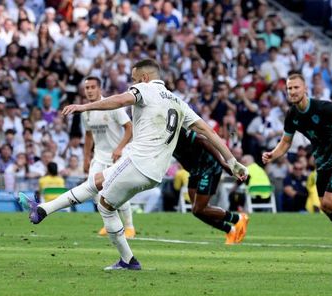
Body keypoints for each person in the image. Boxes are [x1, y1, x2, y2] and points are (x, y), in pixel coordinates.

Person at [19, 59, 247, 270]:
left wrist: (84, 106)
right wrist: (233, 161)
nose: (132, 84)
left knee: (105, 205)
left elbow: (120, 100)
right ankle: (43, 210)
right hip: (154, 173)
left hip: (138, 161)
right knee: (95, 183)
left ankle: (127, 260)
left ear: (145, 78)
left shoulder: (145, 89)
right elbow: (208, 131)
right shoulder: (178, 102)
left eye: (134, 79)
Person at [263, 73, 332, 248]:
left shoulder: (323, 107)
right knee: (324, 206)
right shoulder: (292, 115)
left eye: (296, 87)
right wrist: (272, 154)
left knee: (331, 202)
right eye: (289, 88)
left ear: (305, 88)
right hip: (323, 162)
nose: (292, 91)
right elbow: (285, 142)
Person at [80, 76, 136, 239]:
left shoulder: (112, 106)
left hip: (116, 156)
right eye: (87, 88)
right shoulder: (86, 111)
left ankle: (129, 227)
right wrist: (86, 158)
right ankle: (109, 225)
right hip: (99, 156)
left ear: (99, 89)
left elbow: (129, 128)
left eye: (92, 87)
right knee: (94, 189)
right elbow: (88, 136)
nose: (89, 90)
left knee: (118, 191)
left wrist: (120, 148)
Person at [172, 128, 249, 245]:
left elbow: (203, 140)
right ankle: (230, 230)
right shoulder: (159, 139)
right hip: (195, 170)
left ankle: (238, 218)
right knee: (196, 211)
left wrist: (223, 163)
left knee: (199, 208)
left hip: (209, 167)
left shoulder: (176, 130)